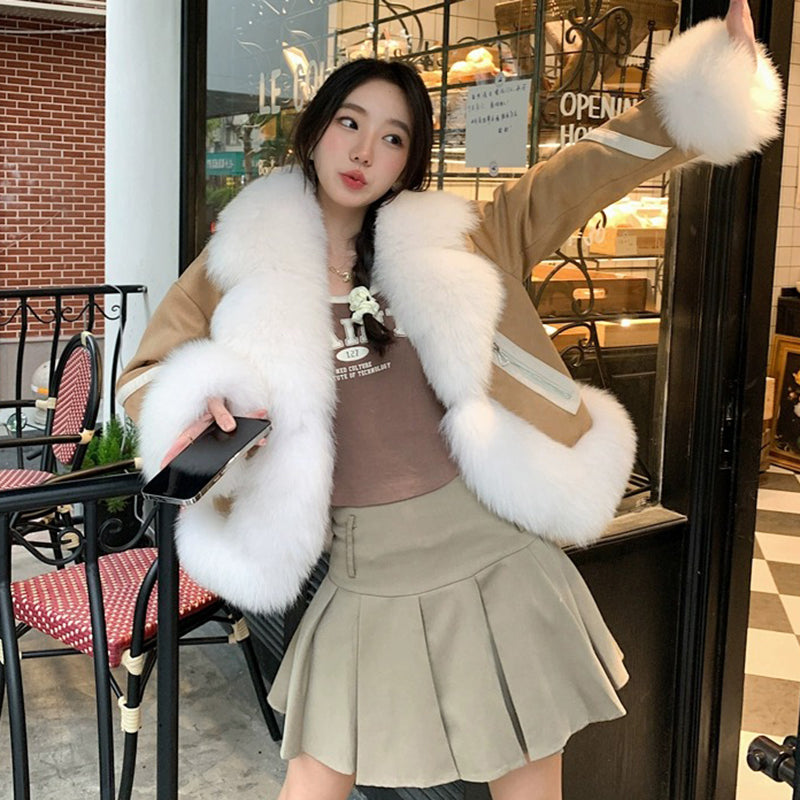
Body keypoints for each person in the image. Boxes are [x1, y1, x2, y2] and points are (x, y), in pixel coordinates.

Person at [119, 2, 781, 797]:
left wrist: (708, 88)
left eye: (393, 137)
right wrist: (205, 407)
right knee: (313, 778)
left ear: (410, 159)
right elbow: (146, 376)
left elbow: (583, 172)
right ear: (316, 129)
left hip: (494, 558)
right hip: (364, 572)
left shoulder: (456, 243)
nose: (365, 151)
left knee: (527, 783)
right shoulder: (238, 261)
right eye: (350, 123)